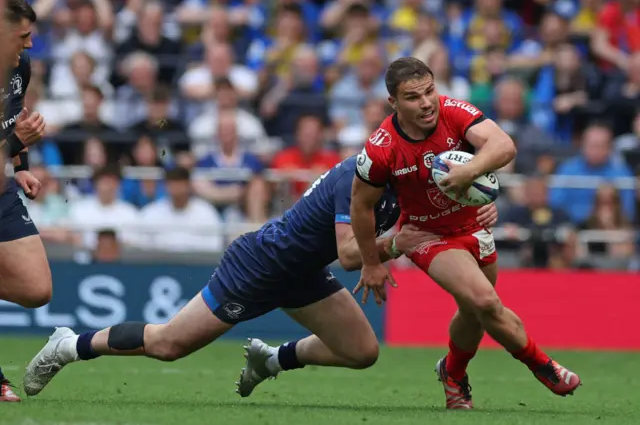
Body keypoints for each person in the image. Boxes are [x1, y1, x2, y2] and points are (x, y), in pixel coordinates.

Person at [22, 155, 498, 397]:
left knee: (362, 351)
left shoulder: (405, 178)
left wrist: (476, 214)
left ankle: (271, 361)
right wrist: (398, 244)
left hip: (302, 272)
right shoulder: (355, 179)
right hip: (260, 265)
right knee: (169, 345)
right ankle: (70, 345)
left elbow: (436, 210)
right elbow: (352, 257)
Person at [349, 57, 581, 410]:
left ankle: (453, 373)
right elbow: (359, 206)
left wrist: (471, 174)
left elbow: (503, 145)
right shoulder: (381, 148)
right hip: (428, 237)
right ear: (393, 103)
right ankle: (543, 366)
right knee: (486, 301)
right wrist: (370, 263)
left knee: (473, 312)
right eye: (413, 97)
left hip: (476, 226)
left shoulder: (453, 111)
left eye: (430, 91)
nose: (426, 102)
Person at [0, 0, 48, 403]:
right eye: (23, 35)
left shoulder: (19, 68)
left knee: (36, 289)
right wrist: (15, 143)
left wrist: (20, 164)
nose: (31, 44)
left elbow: (11, 116)